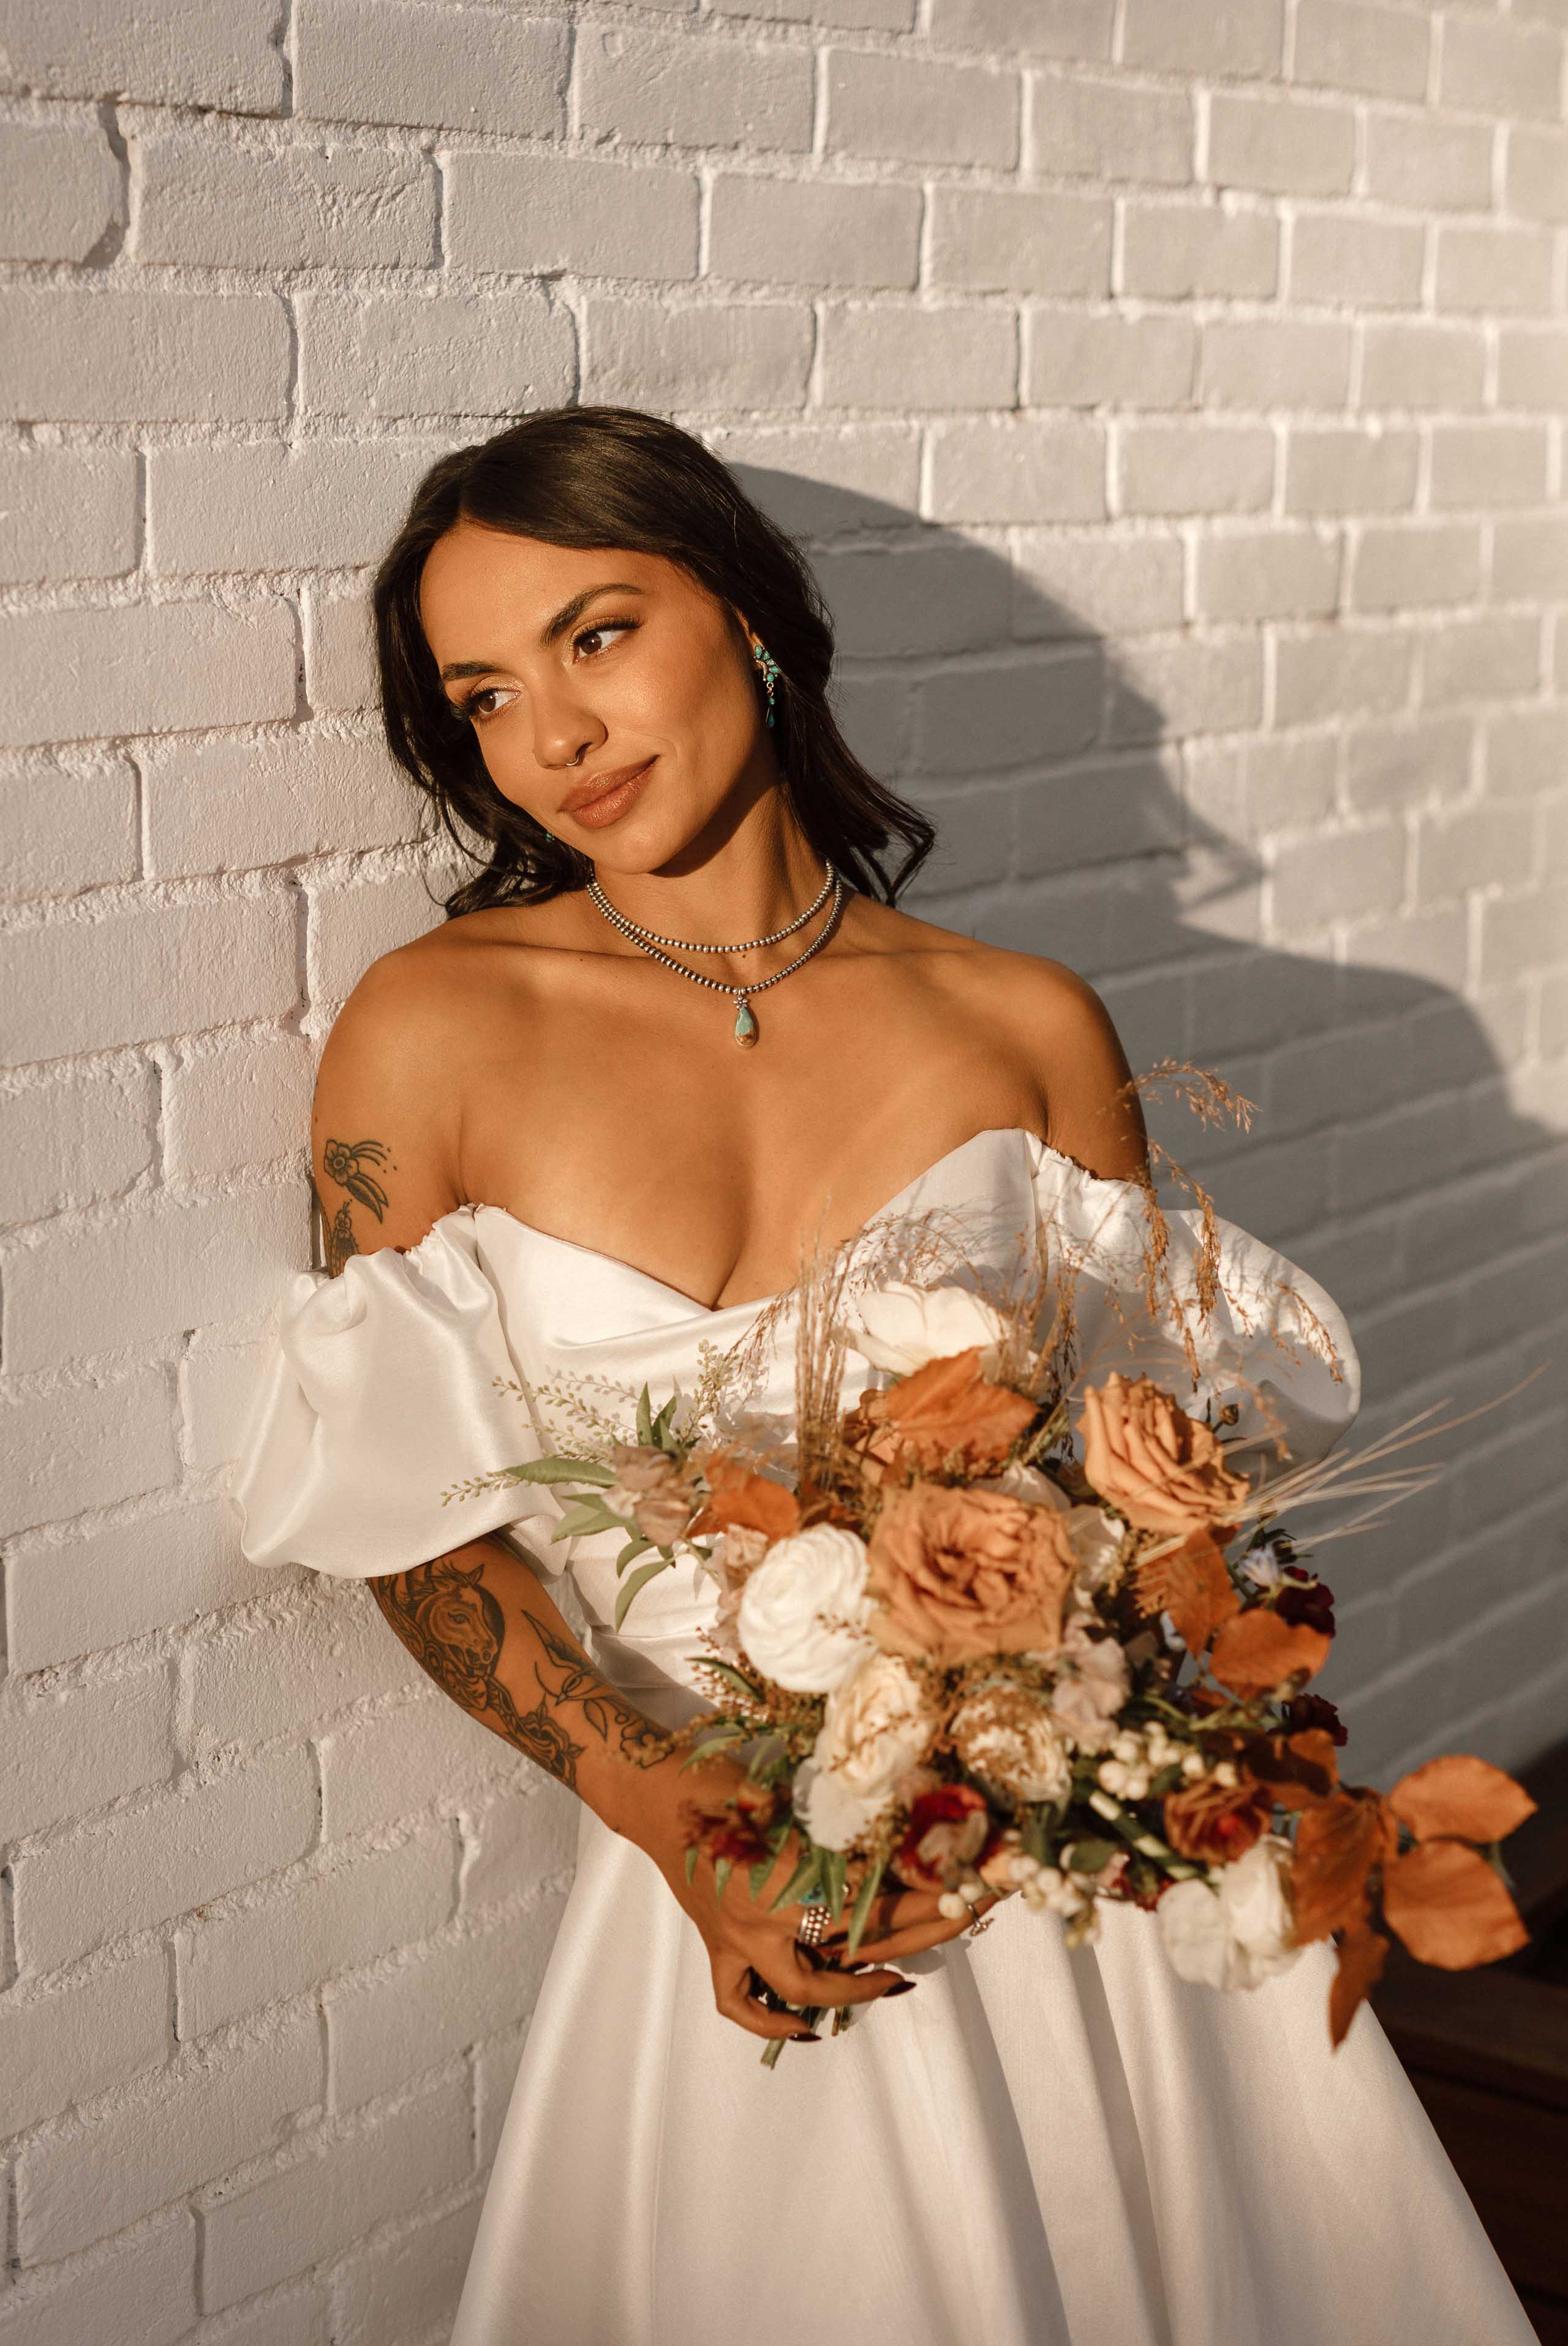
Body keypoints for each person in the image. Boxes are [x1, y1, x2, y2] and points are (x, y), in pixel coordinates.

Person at [232, 408, 1537, 2345]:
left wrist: (1172, 1657)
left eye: (597, 636)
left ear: (749, 616)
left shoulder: (1024, 1028)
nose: (556, 736)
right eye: (486, 694)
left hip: (1082, 1875)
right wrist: (679, 1817)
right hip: (748, 1897)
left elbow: (1166, 1497)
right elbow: (406, 1528)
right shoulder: (433, 1035)